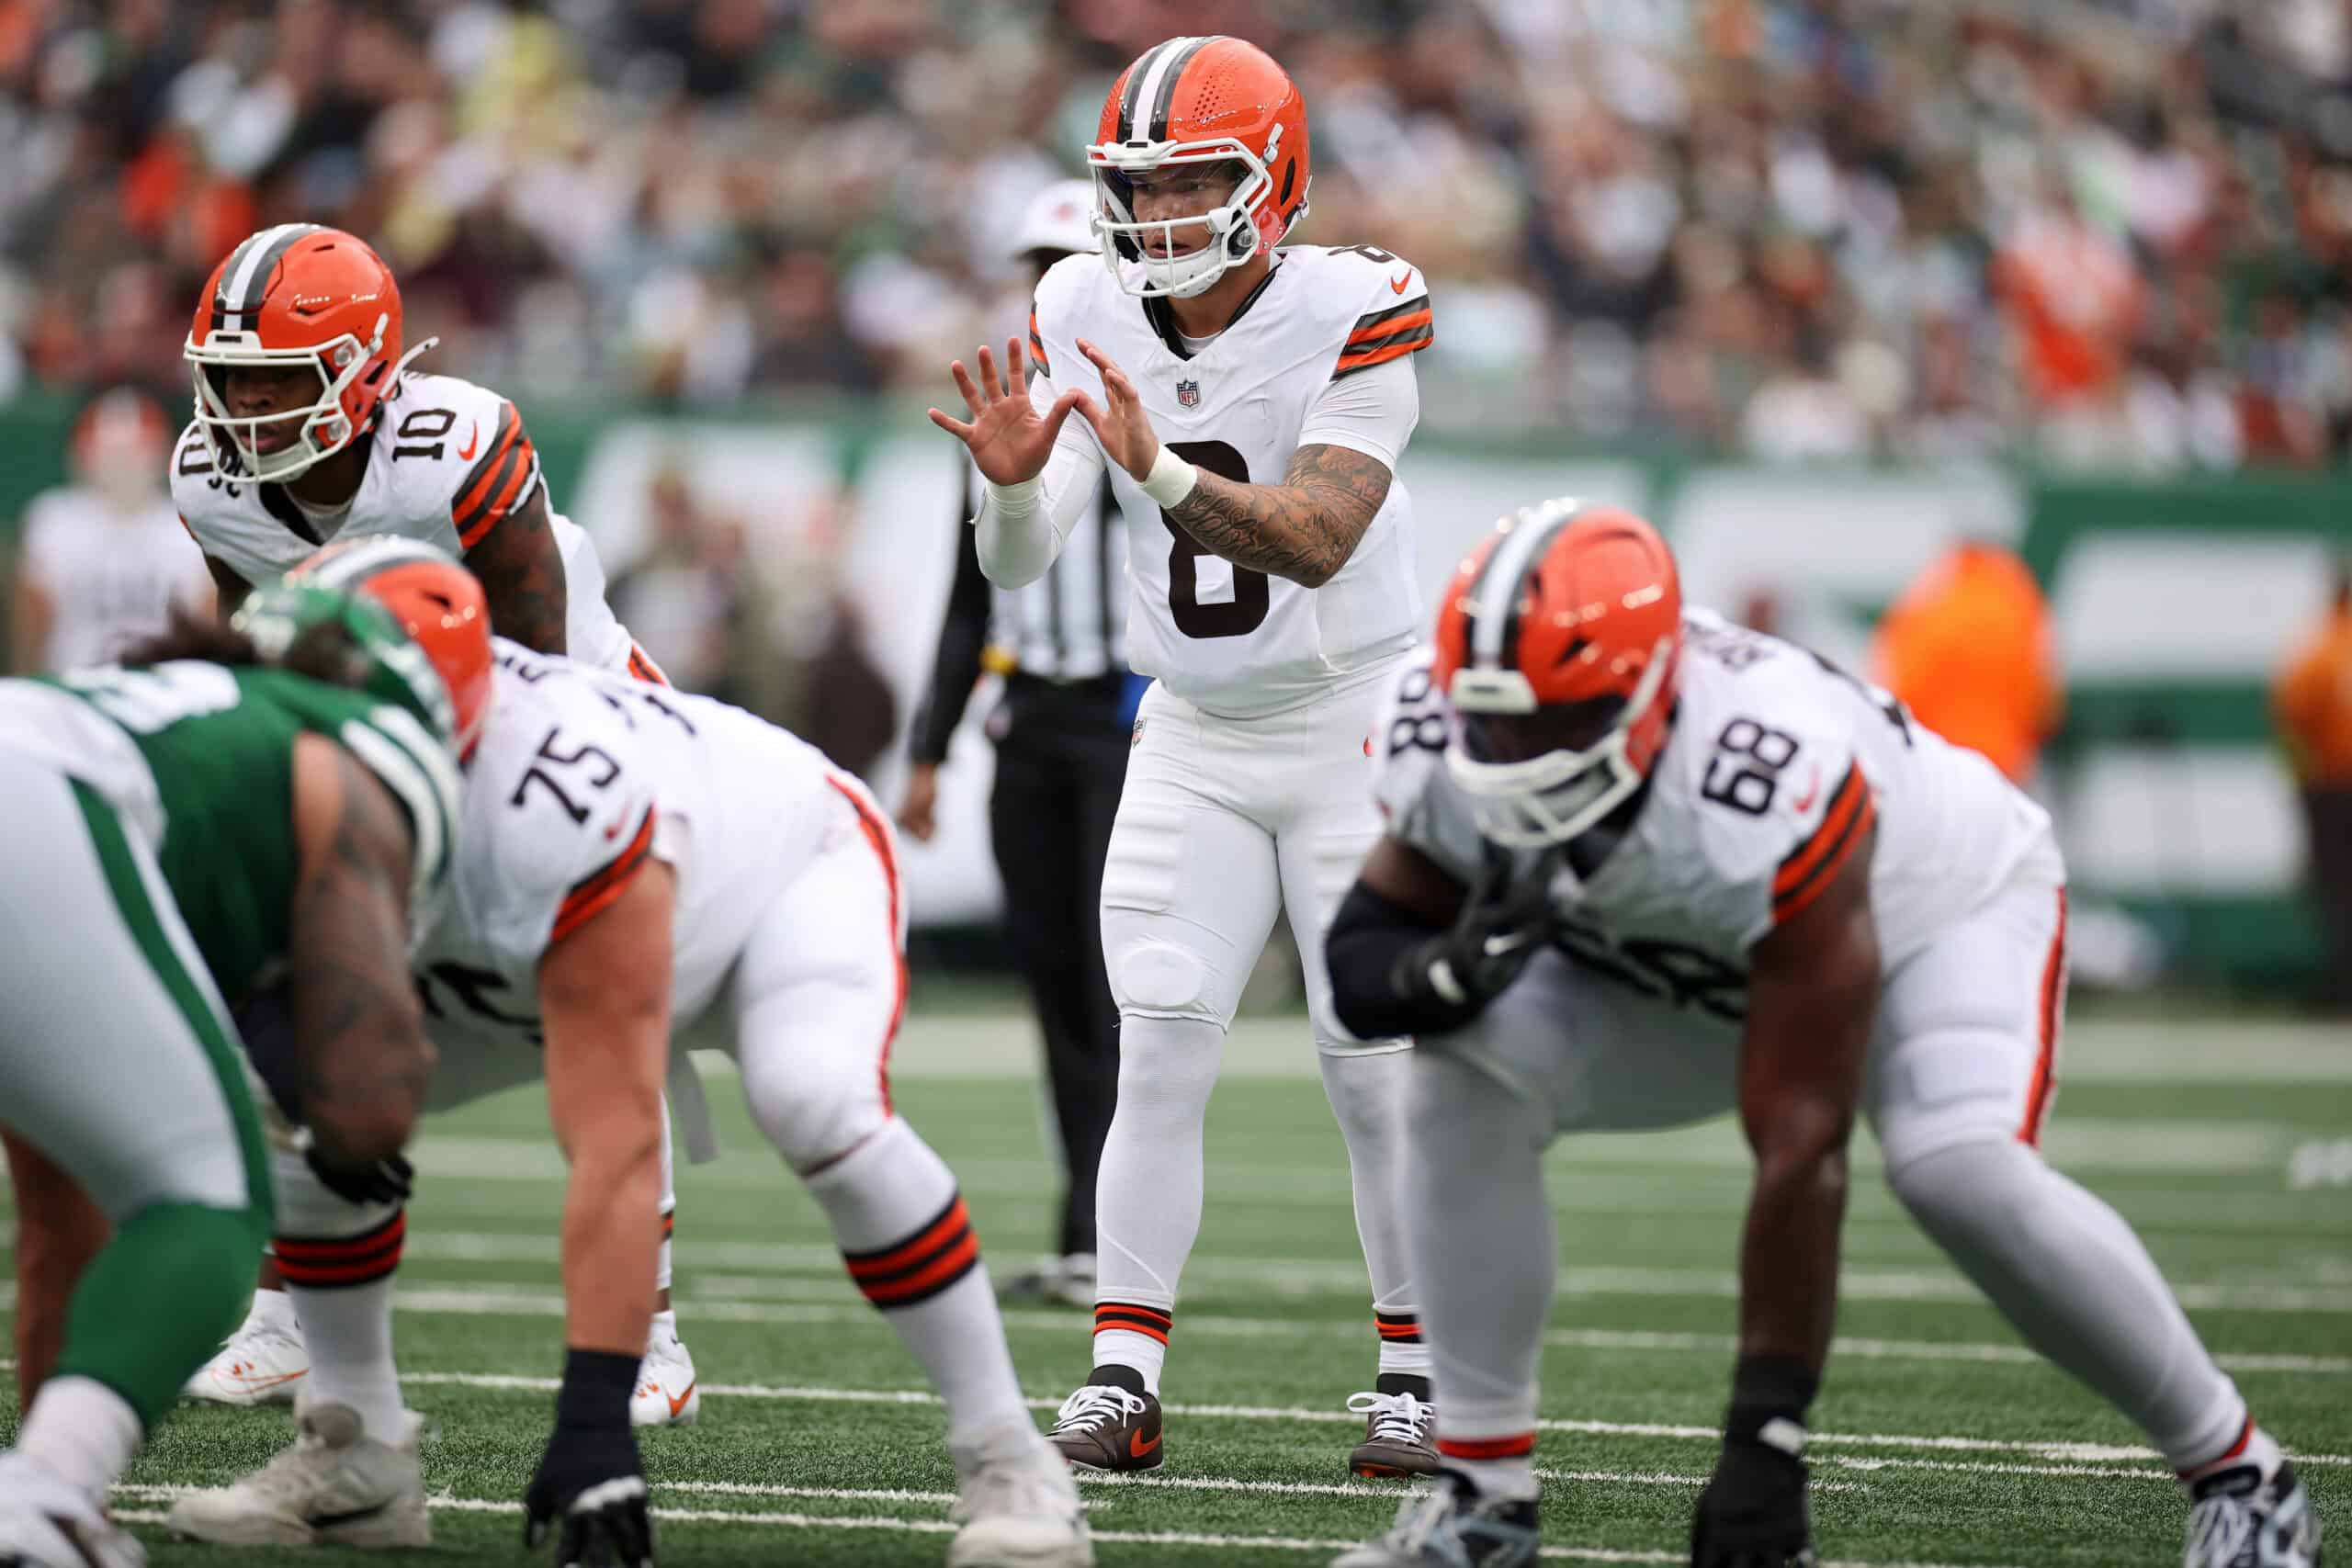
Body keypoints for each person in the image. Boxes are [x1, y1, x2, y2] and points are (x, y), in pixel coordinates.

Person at [1322, 502, 2322, 1568]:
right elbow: (1364, 958)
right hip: (1683, 946)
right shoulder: (1435, 721)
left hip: (1933, 914)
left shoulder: (1762, 771)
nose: (1520, 754)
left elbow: (1802, 1142)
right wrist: (1443, 973)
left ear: (1652, 693)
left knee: (1955, 1166)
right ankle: (1482, 1501)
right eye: (1495, 722)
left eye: (1558, 723)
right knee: (1456, 1074)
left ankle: (2240, 1473)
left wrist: (1765, 1437)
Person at [167, 539, 1091, 1568]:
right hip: (531, 924)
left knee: (812, 1099)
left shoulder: (555, 809)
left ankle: (1009, 1459)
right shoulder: (270, 766)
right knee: (306, 1088)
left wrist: (596, 1418)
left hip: (780, 873)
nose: (303, 758)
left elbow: (614, 1144)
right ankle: (358, 1445)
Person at [931, 34, 1440, 1478]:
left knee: (1374, 1062)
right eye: (1141, 187)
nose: (1161, 215)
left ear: (1272, 180)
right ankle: (1122, 1372)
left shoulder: (1363, 301)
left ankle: (1420, 1373)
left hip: (1351, 721)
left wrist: (1153, 464)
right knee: (1154, 1043)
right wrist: (1006, 490)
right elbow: (1024, 556)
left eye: (1193, 182)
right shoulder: (1081, 298)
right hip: (1197, 729)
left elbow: (1316, 535)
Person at [172, 221, 701, 1427]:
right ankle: (283, 1318)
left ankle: (652, 1334)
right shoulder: (207, 481)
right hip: (386, 734)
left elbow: (534, 665)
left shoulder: (450, 447)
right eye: (230, 378)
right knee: (295, 999)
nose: (244, 408)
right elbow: (266, 662)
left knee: (601, 1011)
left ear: (363, 371)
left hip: (571, 718)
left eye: (274, 380)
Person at [0, 574, 462, 1568]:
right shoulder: (352, 739)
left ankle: (53, 1489)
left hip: (29, 780)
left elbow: (60, 1230)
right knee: (207, 1199)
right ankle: (44, 1496)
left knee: (61, 1200)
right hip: (36, 813)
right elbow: (367, 1105)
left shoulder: (174, 716)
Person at [901, 178, 1129, 1309]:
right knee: (1051, 980)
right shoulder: (1003, 409)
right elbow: (966, 599)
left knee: (1110, 983)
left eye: (1069, 267)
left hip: (1125, 720)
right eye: (1041, 270)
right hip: (1026, 723)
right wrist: (929, 750)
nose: (1052, 289)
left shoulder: (1144, 405)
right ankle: (1085, 1230)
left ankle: (1113, 1238)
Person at [8, 386, 213, 674]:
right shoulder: (53, 521)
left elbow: (205, 628)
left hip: (162, 687)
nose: (122, 467)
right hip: (73, 683)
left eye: (132, 455)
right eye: (112, 455)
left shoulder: (187, 526)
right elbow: (31, 628)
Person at [1868, 537, 2063, 785]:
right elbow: (2042, 702)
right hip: (2004, 764)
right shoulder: (2020, 603)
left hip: (1940, 764)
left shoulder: (1927, 601)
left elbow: (1900, 687)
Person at [2273, 561, 2352, 1011]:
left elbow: (2291, 715)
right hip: (2332, 784)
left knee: (2335, 888)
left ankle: (2340, 983)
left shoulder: (2320, 648)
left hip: (2331, 788)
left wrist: (2302, 777)